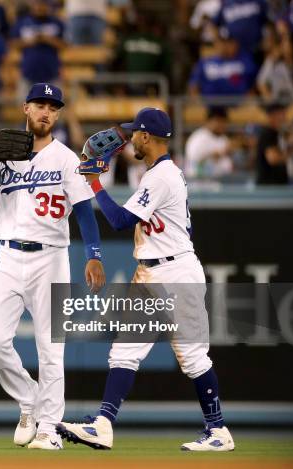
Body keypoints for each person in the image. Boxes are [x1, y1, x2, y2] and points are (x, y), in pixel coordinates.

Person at [57, 108, 235, 452]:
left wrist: (94, 182)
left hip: (174, 273)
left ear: (146, 137)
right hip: (156, 269)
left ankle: (218, 431)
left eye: (134, 134)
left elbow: (120, 220)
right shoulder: (161, 173)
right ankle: (103, 425)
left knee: (193, 358)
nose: (128, 140)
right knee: (124, 351)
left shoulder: (162, 176)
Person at [0, 83, 106, 450]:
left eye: (53, 107)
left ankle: (49, 429)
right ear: (26, 108)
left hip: (52, 258)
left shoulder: (66, 159)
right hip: (8, 256)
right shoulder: (5, 149)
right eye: (40, 104)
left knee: (51, 348)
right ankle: (30, 400)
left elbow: (85, 211)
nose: (47, 111)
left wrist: (94, 254)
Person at [10, 1, 66, 101]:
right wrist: (31, 41)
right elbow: (13, 44)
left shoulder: (56, 22)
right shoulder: (23, 22)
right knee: (26, 111)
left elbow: (65, 45)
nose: (40, 7)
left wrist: (47, 39)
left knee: (53, 110)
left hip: (51, 75)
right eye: (38, 4)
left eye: (43, 4)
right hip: (28, 75)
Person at [188, 29, 256, 99]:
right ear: (216, 43)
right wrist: (197, 103)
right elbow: (194, 85)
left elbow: (251, 86)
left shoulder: (245, 61)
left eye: (229, 42)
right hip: (210, 105)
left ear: (236, 43)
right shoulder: (204, 62)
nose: (225, 46)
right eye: (222, 42)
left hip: (238, 104)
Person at [184, 106, 233, 179]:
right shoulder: (198, 137)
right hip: (197, 183)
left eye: (224, 121)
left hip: (218, 182)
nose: (221, 125)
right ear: (209, 121)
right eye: (218, 121)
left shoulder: (224, 139)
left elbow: (226, 165)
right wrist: (214, 155)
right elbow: (193, 160)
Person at [256, 102, 290, 184]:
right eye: (281, 113)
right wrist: (292, 154)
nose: (284, 117)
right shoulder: (268, 133)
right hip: (269, 186)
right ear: (272, 115)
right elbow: (273, 159)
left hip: (279, 184)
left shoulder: (279, 134)